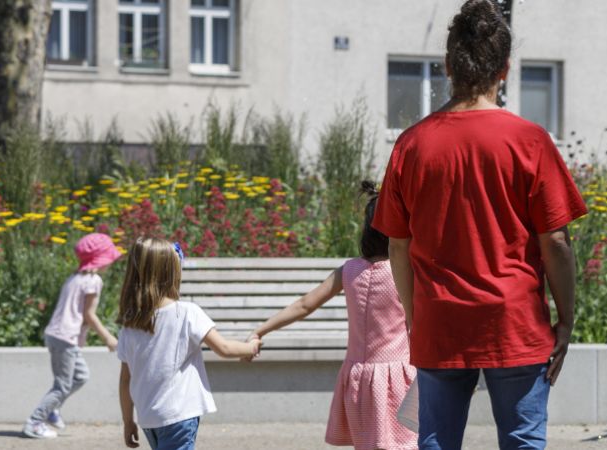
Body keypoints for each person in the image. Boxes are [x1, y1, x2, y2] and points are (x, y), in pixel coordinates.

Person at [370, 1, 587, 448]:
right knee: (523, 441)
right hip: (515, 322)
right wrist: (565, 319)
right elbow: (557, 244)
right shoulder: (530, 141)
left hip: (441, 321)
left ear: (449, 66)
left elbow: (397, 246)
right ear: (504, 70)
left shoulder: (412, 145)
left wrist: (415, 318)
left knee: (435, 441)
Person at [247, 182, 418, 450]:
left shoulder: (349, 271)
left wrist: (260, 331)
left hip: (359, 381)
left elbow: (305, 305)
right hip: (398, 377)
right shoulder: (405, 271)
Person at [116, 238, 261, 450]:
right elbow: (225, 348)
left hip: (148, 417)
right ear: (172, 272)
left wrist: (128, 421)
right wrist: (252, 347)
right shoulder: (187, 313)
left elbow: (124, 380)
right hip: (178, 414)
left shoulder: (129, 324)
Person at [23, 233, 123, 439]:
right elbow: (88, 314)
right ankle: (34, 422)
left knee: (81, 376)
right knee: (62, 386)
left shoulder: (75, 278)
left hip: (59, 336)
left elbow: (78, 314)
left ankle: (52, 409)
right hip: (64, 338)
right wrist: (108, 338)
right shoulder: (93, 281)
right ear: (101, 260)